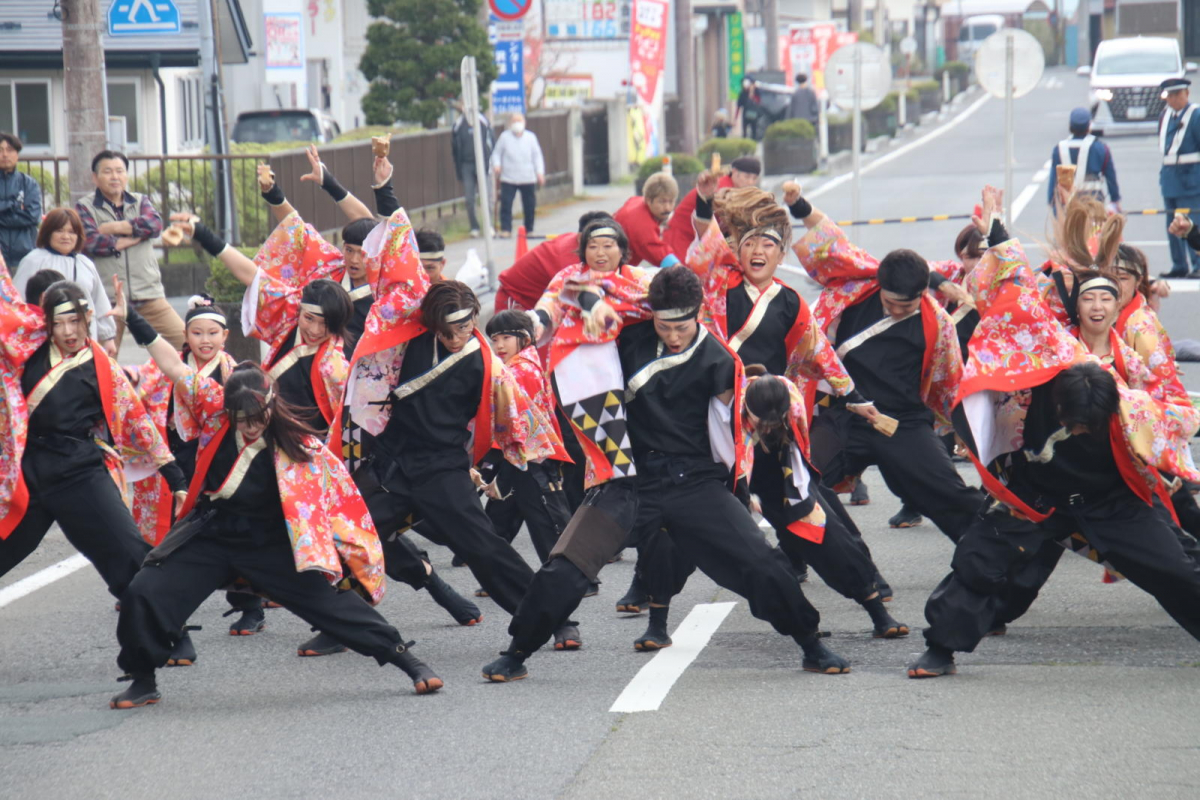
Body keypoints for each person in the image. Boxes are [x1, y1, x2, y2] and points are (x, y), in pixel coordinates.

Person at [482, 266, 853, 682]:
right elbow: (573, 297)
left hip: (695, 481)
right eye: (664, 326)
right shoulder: (626, 338)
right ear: (651, 314)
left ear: (698, 313)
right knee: (567, 565)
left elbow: (734, 430)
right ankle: (517, 652)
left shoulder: (718, 358)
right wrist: (582, 304)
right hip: (628, 479)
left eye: (682, 326)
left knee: (763, 562)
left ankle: (810, 643)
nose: (674, 336)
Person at [908, 215, 1200, 678]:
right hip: (1037, 489)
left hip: (1109, 494)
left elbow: (1178, 410)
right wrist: (999, 236)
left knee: (1174, 568)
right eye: (1089, 297)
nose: (1098, 305)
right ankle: (942, 647)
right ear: (1075, 305)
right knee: (981, 563)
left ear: (1120, 303)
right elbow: (1017, 294)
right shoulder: (1052, 349)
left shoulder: (1134, 378)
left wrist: (1154, 435)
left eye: (1108, 297)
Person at [110, 364, 443, 708]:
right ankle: (142, 677)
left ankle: (405, 658)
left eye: (258, 417)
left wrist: (346, 549)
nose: (251, 426)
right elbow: (174, 366)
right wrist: (145, 328)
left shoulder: (301, 447)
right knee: (145, 590)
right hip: (212, 534)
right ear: (228, 412)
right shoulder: (214, 420)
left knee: (330, 604)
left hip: (271, 543)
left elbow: (340, 501)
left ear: (271, 404)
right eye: (242, 420)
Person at [337, 209, 567, 637]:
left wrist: (500, 465)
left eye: (467, 325)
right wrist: (386, 197)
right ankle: (344, 623)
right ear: (430, 326)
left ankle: (551, 619)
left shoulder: (485, 363)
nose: (461, 335)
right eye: (450, 329)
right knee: (348, 533)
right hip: (393, 466)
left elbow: (512, 418)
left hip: (442, 468)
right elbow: (399, 263)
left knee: (483, 547)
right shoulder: (405, 342)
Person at [792, 191, 984, 544]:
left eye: (906, 307)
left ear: (923, 293)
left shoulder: (937, 324)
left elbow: (950, 381)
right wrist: (799, 206)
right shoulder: (854, 294)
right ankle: (810, 557)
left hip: (903, 420)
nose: (897, 310)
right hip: (845, 414)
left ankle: (990, 553)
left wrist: (962, 431)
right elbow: (833, 243)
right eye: (891, 303)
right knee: (800, 482)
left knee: (948, 492)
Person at [0, 272, 185, 619]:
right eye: (59, 323)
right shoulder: (25, 352)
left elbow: (138, 421)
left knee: (130, 558)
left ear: (88, 318)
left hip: (79, 472)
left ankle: (167, 633)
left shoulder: (102, 368)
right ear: (46, 323)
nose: (69, 332)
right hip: (26, 474)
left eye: (75, 321)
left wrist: (176, 478)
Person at [476, 310, 576, 602]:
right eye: (494, 339)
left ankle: (575, 579)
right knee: (500, 522)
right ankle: (501, 579)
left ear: (525, 337)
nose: (499, 345)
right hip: (524, 454)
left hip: (530, 457)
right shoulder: (526, 363)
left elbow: (516, 423)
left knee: (547, 523)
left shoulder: (519, 370)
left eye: (506, 338)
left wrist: (497, 469)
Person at [77, 150, 184, 350]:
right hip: (107, 298)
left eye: (120, 171)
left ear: (126, 175)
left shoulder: (140, 200)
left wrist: (112, 228)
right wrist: (135, 236)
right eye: (107, 171)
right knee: (105, 357)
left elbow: (154, 225)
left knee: (186, 342)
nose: (115, 176)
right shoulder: (85, 207)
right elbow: (90, 242)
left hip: (148, 293)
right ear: (95, 177)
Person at [14, 208, 117, 356]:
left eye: (72, 232)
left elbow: (99, 301)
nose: (66, 237)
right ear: (48, 233)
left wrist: (108, 337)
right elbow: (17, 302)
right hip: (45, 340)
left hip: (84, 339)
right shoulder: (33, 260)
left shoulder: (85, 264)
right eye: (59, 231)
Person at [495, 211, 616, 313]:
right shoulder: (570, 261)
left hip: (542, 302)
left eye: (608, 244)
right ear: (581, 238)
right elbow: (575, 301)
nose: (602, 251)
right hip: (516, 300)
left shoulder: (580, 246)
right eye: (595, 244)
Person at [663, 156, 760, 258]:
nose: (750, 182)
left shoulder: (730, 188)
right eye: (747, 177)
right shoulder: (723, 188)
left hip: (695, 237)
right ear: (734, 172)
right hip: (682, 235)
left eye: (754, 178)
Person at [1158, 78, 1200, 278]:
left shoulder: (1196, 115)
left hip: (1191, 177)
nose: (1174, 99)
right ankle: (1179, 264)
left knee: (1192, 222)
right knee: (1172, 224)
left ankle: (1198, 263)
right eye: (1170, 95)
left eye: (1178, 94)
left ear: (1186, 94)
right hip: (1169, 178)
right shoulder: (1164, 116)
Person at [1046, 107, 1120, 212]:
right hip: (1094, 204)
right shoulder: (1101, 148)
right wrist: (1115, 200)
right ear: (1089, 126)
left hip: (1067, 207)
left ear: (1070, 126)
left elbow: (1053, 181)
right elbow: (1111, 179)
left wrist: (1053, 204)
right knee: (1098, 223)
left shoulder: (1059, 149)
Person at [491, 113, 545, 237]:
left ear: (524, 122)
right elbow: (496, 153)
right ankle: (506, 229)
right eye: (514, 121)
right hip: (508, 177)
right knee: (506, 204)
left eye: (519, 120)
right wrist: (497, 165)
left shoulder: (531, 137)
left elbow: (537, 156)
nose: (517, 123)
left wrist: (540, 172)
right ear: (510, 123)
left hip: (527, 177)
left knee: (529, 205)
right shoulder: (504, 137)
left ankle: (529, 229)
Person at [612, 173, 682, 269]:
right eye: (661, 202)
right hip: (612, 269)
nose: (667, 207)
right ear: (649, 200)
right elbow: (657, 251)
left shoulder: (636, 201)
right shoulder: (642, 225)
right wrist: (680, 269)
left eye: (671, 201)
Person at [451, 103, 495, 237]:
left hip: (483, 163)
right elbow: (455, 147)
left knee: (486, 196)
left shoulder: (483, 121)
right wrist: (458, 168)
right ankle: (474, 227)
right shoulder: (458, 124)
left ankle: (489, 225)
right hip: (466, 164)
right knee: (469, 198)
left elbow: (491, 142)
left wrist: (490, 161)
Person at [0, 132, 42, 267]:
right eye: (0, 150)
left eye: (9, 150)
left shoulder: (29, 184)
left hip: (25, 257)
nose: (4, 154)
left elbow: (33, 217)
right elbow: (25, 216)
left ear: (17, 154)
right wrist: (14, 206)